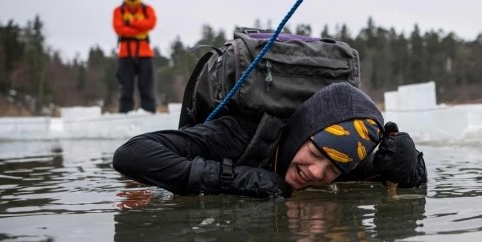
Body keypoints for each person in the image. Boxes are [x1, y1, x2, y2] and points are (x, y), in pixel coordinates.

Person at [112, 82, 427, 198]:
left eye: (332, 169)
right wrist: (235, 179)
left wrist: (406, 164)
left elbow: (403, 176)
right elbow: (130, 154)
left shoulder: (341, 161)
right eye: (316, 152)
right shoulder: (239, 135)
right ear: (304, 132)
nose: (317, 173)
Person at [112, 0, 157, 113]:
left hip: (144, 53)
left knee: (147, 87)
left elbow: (151, 24)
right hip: (125, 54)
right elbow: (119, 28)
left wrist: (130, 23)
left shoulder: (147, 9)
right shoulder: (118, 11)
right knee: (126, 88)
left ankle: (149, 114)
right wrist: (139, 29)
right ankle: (125, 115)